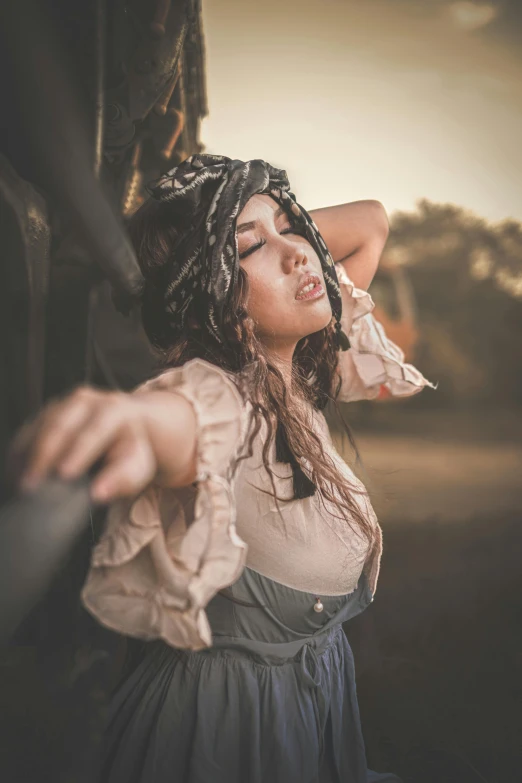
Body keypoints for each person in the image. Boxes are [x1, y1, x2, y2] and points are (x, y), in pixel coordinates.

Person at [14, 154, 435, 782]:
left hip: (305, 724)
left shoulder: (304, 379)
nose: (299, 252)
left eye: (293, 228)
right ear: (213, 290)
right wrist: (131, 424)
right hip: (219, 740)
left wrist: (243, 219)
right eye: (250, 248)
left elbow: (371, 223)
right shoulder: (219, 395)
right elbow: (180, 417)